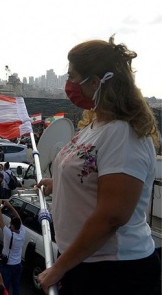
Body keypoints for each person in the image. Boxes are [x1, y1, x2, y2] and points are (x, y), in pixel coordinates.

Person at [37, 37, 161, 294]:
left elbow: (112, 216)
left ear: (95, 82)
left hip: (114, 273)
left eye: (72, 76)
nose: (68, 84)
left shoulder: (123, 134)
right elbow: (89, 174)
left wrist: (59, 267)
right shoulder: (95, 125)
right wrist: (59, 183)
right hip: (85, 262)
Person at [0, 199, 25, 295]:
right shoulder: (23, 232)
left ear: (12, 226)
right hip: (18, 265)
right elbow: (18, 218)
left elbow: (0, 220)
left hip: (8, 265)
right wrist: (10, 206)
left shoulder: (9, 234)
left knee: (5, 288)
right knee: (16, 287)